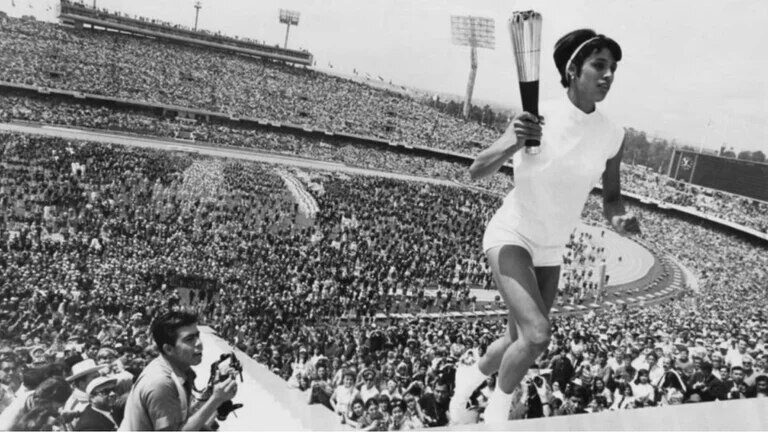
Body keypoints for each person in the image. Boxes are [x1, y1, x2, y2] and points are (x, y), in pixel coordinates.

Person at [454, 28, 638, 424]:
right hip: (512, 234)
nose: (608, 75)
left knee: (516, 340)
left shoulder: (613, 135)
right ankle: (496, 416)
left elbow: (611, 198)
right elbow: (476, 169)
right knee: (537, 335)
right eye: (599, 65)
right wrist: (514, 141)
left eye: (613, 68)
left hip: (551, 250)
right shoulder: (537, 116)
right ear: (573, 70)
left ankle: (468, 376)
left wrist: (620, 218)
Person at [119, 310, 238, 431]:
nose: (199, 343)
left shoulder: (179, 370)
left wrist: (215, 387)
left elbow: (183, 418)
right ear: (168, 349)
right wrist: (216, 399)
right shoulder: (161, 383)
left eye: (197, 336)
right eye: (189, 339)